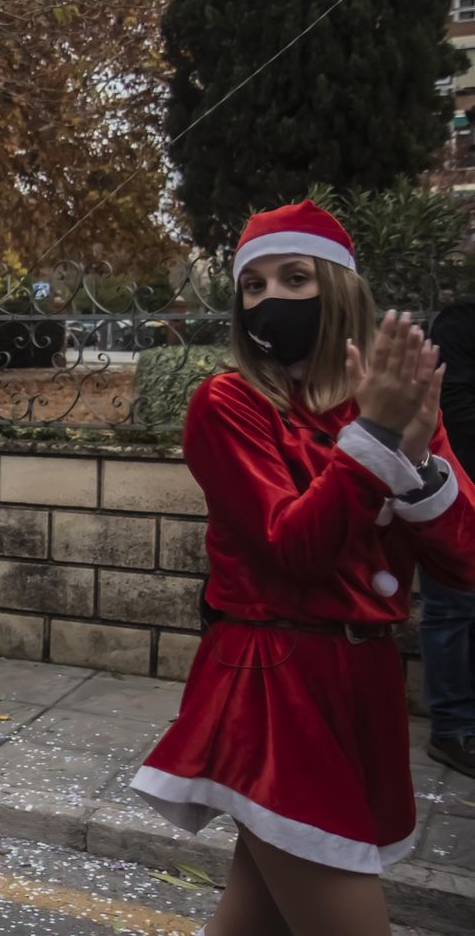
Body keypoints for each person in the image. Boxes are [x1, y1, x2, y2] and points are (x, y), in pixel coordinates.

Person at [129, 201, 475, 936]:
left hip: (363, 689)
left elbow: (465, 560)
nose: (270, 300)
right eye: (252, 286)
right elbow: (294, 548)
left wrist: (417, 456)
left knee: (256, 920)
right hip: (276, 688)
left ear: (339, 289)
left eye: (294, 277)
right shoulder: (228, 403)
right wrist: (374, 438)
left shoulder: (392, 407)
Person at [423, 293, 475, 777]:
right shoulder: (461, 321)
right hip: (459, 488)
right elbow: (452, 408)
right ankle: (453, 727)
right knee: (453, 609)